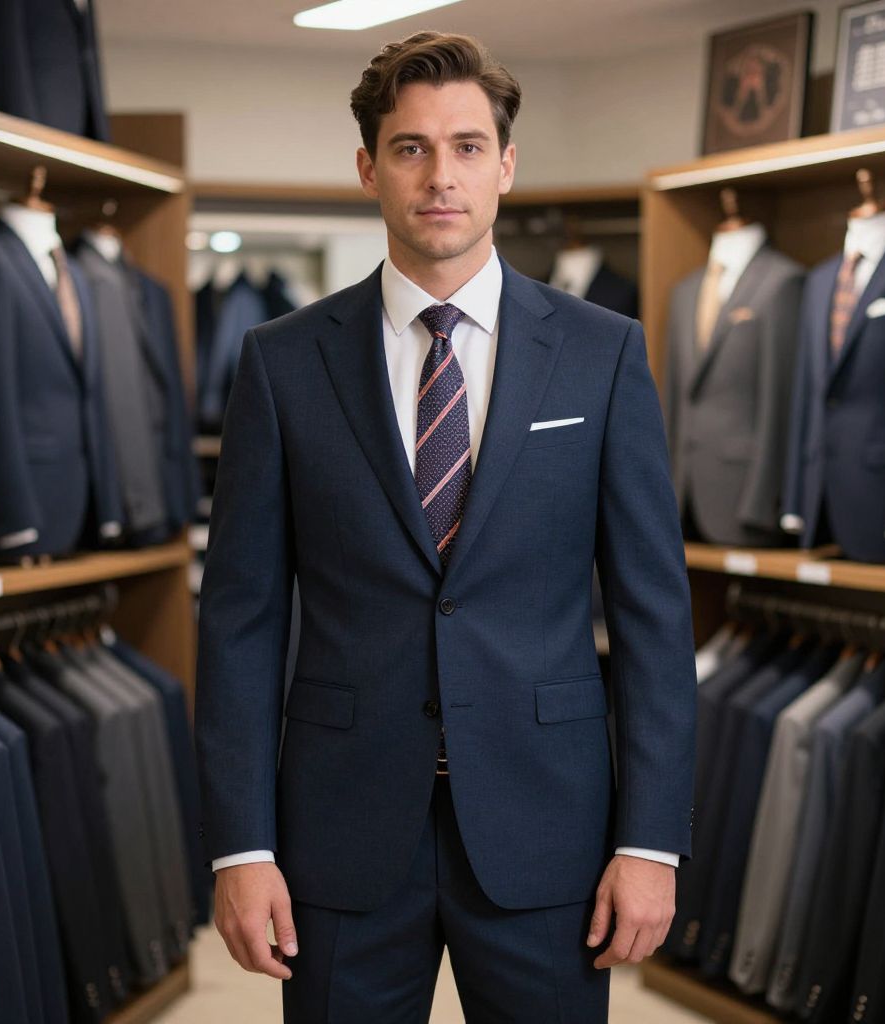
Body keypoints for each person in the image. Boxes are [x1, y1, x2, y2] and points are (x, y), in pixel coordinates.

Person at [195, 30, 697, 1022]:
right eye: (411, 147)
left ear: (505, 166)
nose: (440, 176)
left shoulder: (601, 353)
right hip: (338, 832)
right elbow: (241, 622)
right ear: (368, 167)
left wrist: (649, 841)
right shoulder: (280, 360)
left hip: (546, 823)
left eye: (467, 146)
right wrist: (241, 846)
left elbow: (652, 616)